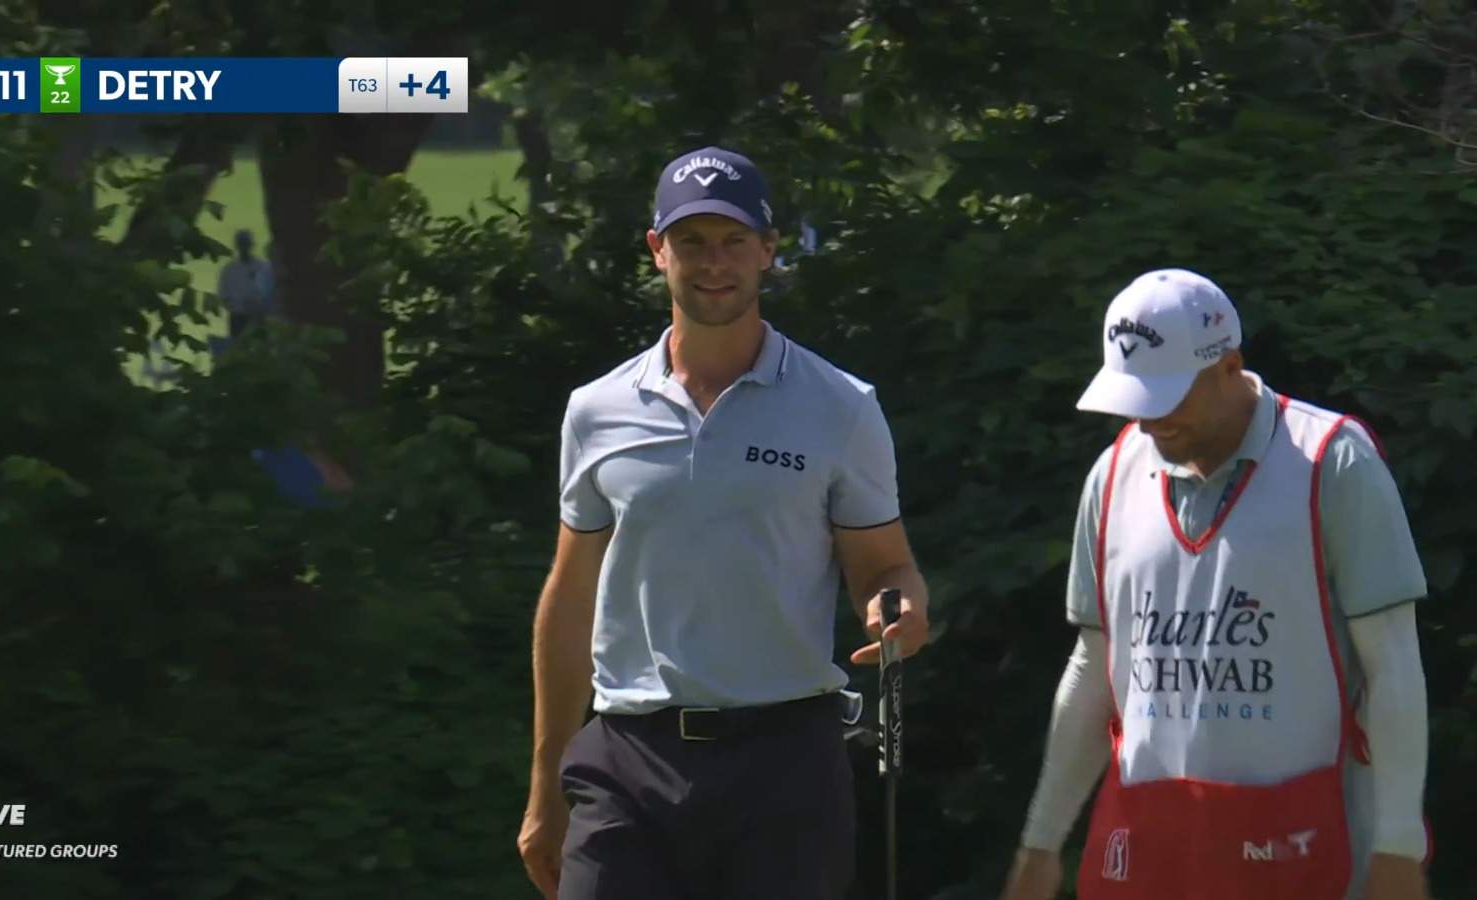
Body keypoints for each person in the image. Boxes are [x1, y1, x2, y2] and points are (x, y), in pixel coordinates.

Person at [516, 146, 930, 900]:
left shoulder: (841, 405)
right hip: (627, 756)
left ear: (768, 251)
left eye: (735, 241)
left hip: (785, 762)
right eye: (692, 242)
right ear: (656, 251)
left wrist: (897, 608)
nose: (714, 263)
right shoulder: (597, 410)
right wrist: (545, 787)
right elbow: (571, 598)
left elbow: (885, 567)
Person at [999, 269, 1433, 900]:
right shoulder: (1112, 474)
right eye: (1134, 398)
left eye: (1169, 395)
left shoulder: (1334, 462)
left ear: (1231, 367)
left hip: (1310, 849)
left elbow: (1393, 665)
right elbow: (1096, 664)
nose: (1151, 421)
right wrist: (1041, 841)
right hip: (1151, 850)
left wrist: (1397, 845)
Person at [217, 229, 276, 338]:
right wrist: (238, 307)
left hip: (260, 317)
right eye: (241, 244)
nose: (244, 247)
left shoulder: (264, 267)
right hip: (238, 319)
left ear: (251, 245)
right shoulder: (229, 270)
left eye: (246, 243)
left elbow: (272, 293)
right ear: (237, 246)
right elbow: (224, 297)